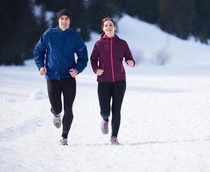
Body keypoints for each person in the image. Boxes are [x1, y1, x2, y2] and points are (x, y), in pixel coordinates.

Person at [33, 9, 88, 146]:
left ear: (70, 21)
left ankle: (64, 137)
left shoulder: (75, 36)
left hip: (69, 77)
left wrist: (77, 70)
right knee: (58, 107)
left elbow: (83, 57)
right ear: (58, 20)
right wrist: (41, 66)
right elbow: (38, 51)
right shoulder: (49, 34)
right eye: (62, 18)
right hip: (52, 77)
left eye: (67, 18)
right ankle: (55, 113)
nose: (64, 21)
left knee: (68, 108)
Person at [90, 17, 135, 145]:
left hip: (120, 81)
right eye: (106, 25)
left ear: (115, 27)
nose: (108, 27)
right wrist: (96, 69)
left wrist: (130, 62)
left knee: (116, 110)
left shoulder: (122, 43)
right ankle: (105, 119)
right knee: (105, 110)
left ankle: (114, 137)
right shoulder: (98, 44)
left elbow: (129, 57)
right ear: (103, 29)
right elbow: (93, 59)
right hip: (103, 81)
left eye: (111, 25)